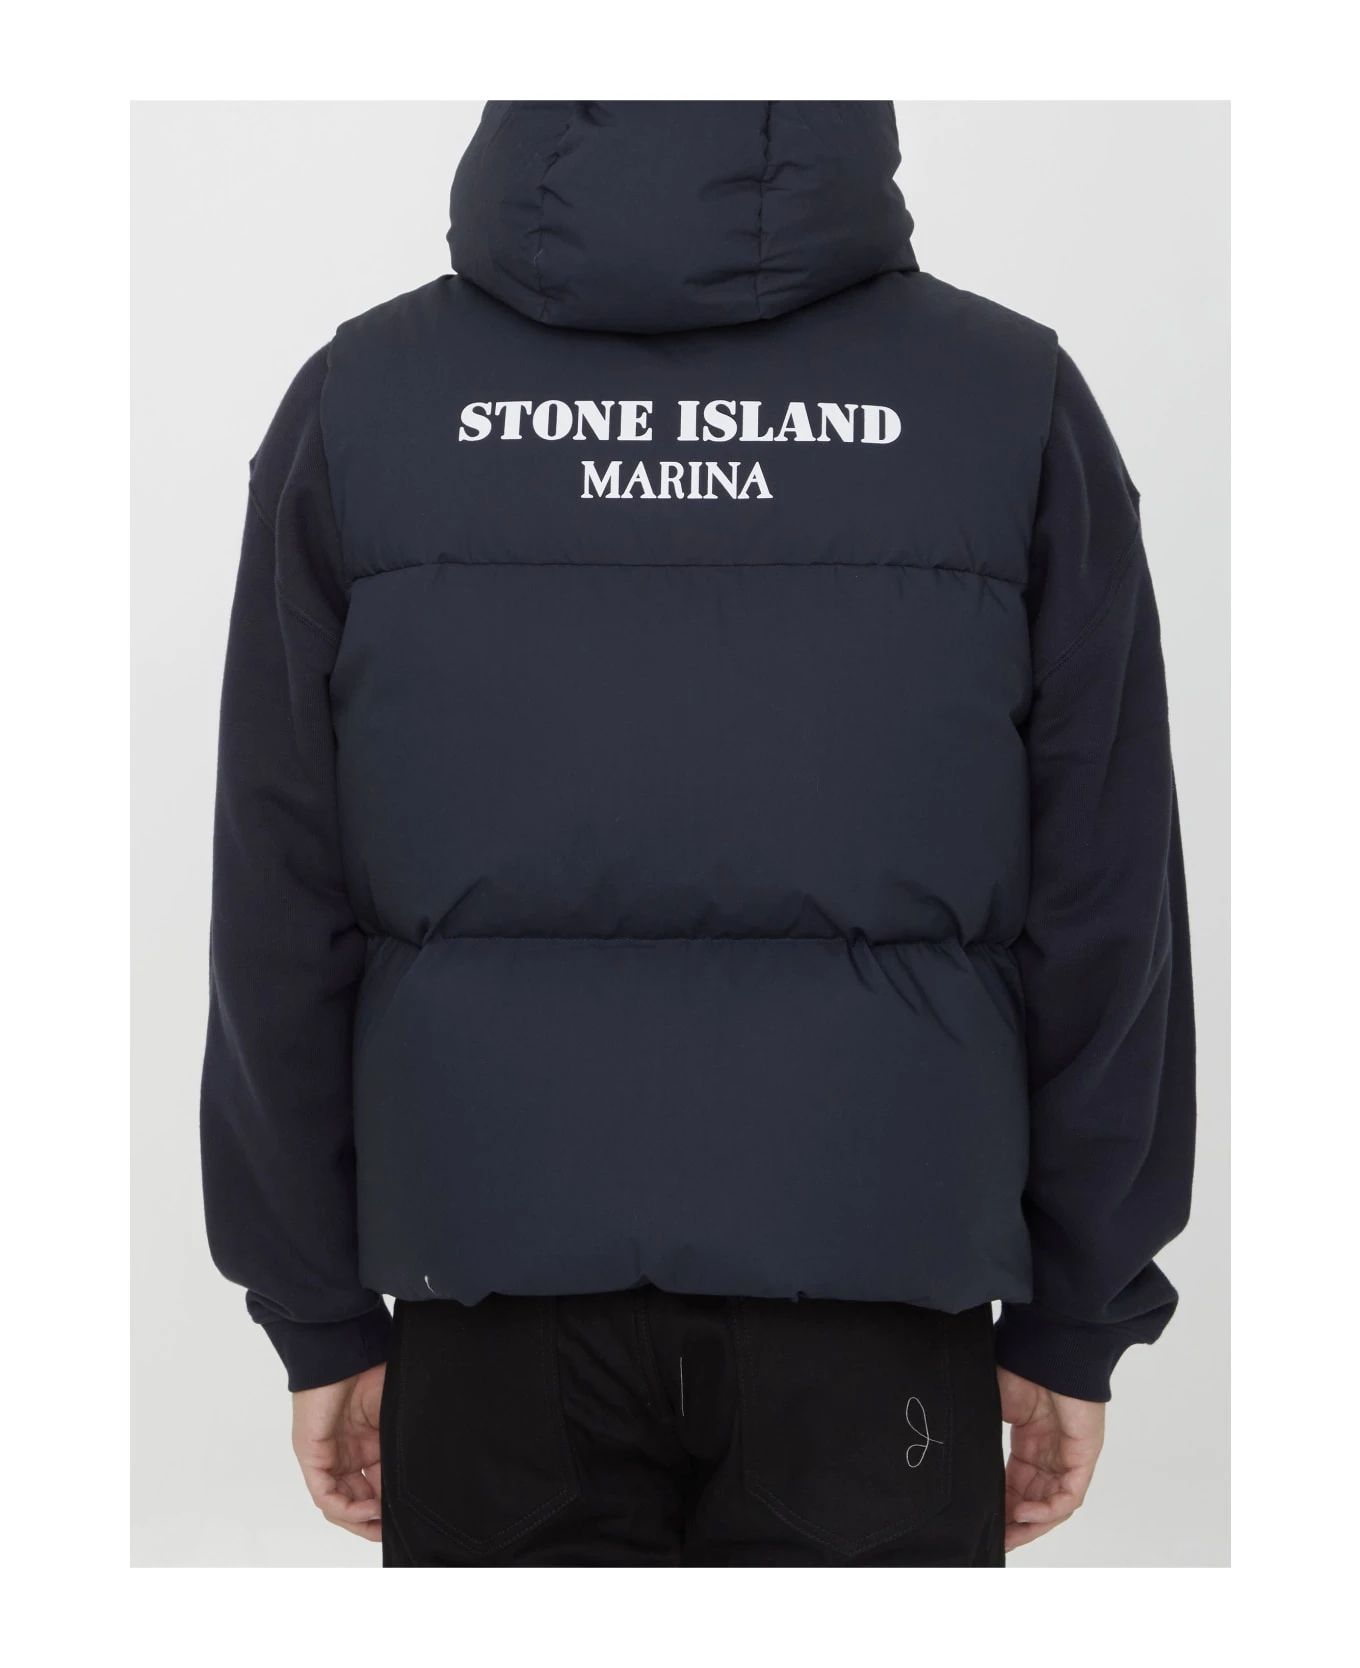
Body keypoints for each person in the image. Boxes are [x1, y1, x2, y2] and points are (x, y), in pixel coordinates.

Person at [201, 100, 1195, 1567]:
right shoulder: (1007, 399)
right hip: (877, 1289)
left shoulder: (366, 400)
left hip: (487, 1297)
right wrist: (1078, 1310)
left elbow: (276, 899)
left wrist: (318, 1308)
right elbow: (1108, 899)